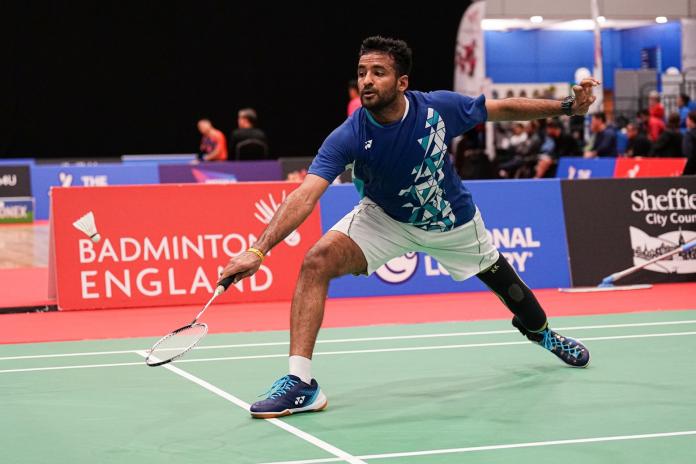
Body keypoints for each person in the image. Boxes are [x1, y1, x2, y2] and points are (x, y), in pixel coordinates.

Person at [219, 36, 594, 419]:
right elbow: (304, 195)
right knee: (317, 259)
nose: (367, 80)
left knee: (510, 288)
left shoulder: (436, 109)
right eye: (362, 72)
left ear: (401, 83)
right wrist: (258, 250)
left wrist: (566, 106)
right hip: (385, 218)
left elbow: (502, 109)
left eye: (378, 73)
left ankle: (543, 334)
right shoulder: (349, 134)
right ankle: (300, 383)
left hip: (451, 221)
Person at [683, 111, 696, 175]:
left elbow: (687, 152)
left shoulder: (689, 135)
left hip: (691, 169)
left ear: (691, 120)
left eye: (687, 119)